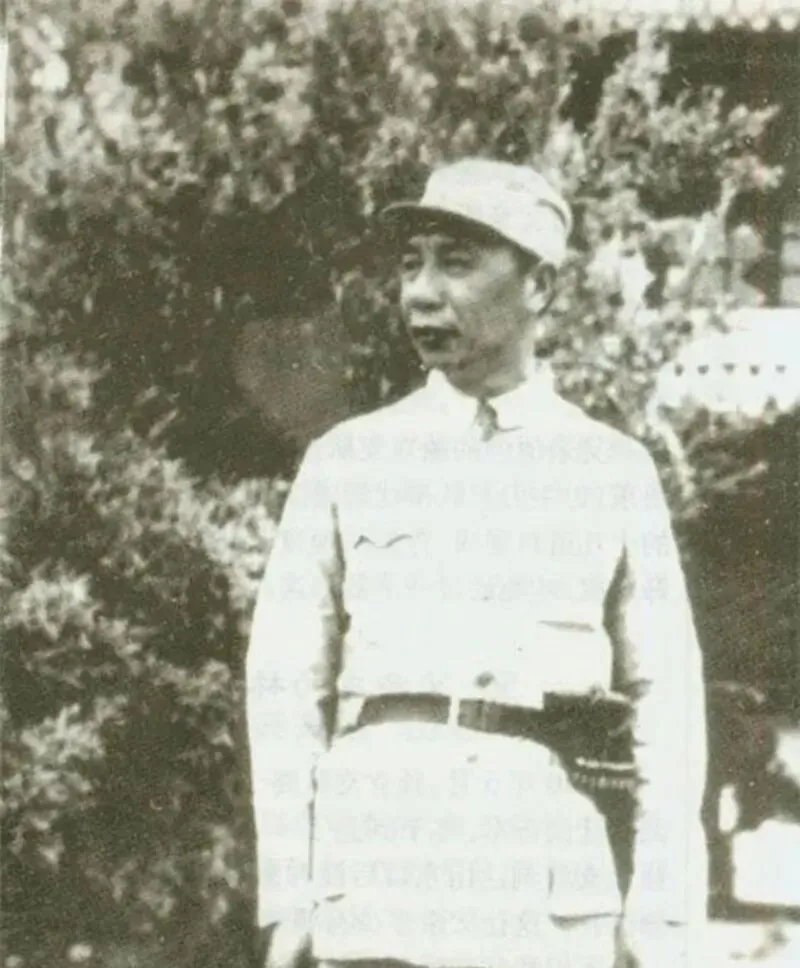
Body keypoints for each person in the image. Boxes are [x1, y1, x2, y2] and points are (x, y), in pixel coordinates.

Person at [246, 158, 709, 968]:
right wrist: (290, 889)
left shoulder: (610, 470)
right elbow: (284, 683)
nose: (421, 293)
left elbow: (665, 697)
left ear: (542, 287)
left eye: (456, 263)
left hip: (540, 898)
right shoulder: (349, 460)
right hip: (377, 882)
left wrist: (661, 907)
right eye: (411, 263)